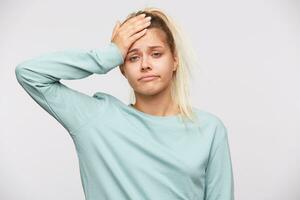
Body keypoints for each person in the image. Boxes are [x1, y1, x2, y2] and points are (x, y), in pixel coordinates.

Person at [15, 6, 234, 200]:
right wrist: (110, 54)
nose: (145, 64)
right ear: (121, 67)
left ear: (174, 60)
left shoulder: (209, 130)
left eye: (156, 54)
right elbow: (30, 74)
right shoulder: (97, 120)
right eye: (133, 57)